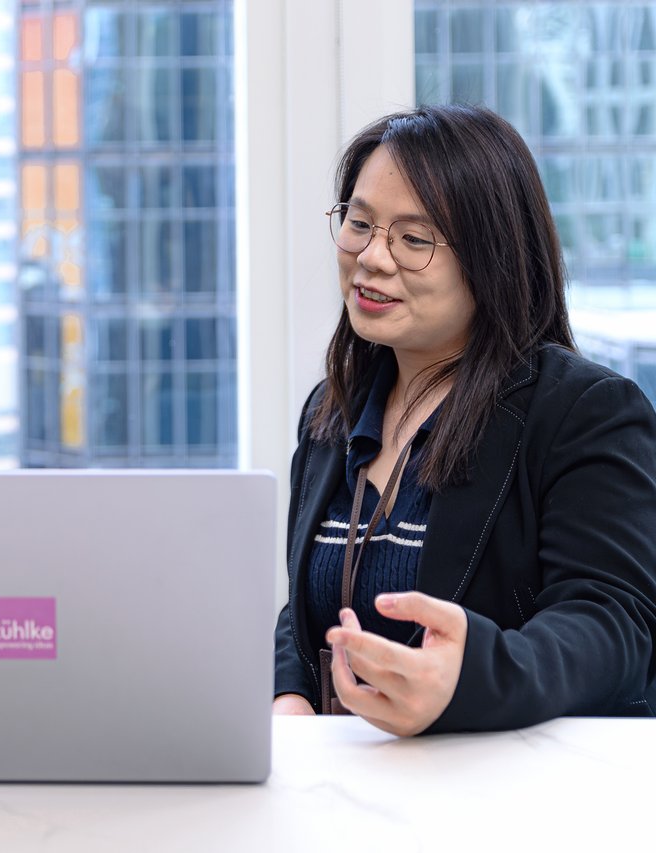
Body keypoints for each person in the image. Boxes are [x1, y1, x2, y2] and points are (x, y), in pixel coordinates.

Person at [273, 104, 656, 735]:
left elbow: (612, 622)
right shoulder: (331, 410)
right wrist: (290, 693)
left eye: (413, 239)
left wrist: (471, 676)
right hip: (345, 793)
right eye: (360, 224)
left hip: (506, 796)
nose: (371, 257)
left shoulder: (583, 412)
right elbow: (303, 603)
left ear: (492, 261)